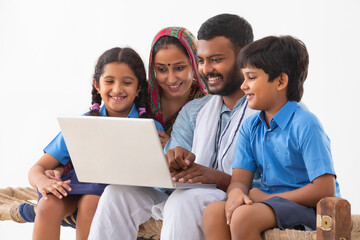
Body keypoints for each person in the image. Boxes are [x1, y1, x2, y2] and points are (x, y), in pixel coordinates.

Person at [88, 13, 257, 240]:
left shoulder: (265, 109)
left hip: (236, 196)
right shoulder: (194, 110)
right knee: (116, 194)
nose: (205, 69)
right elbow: (172, 175)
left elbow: (277, 180)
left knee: (183, 201)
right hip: (188, 193)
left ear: (245, 58)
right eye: (201, 60)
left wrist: (215, 177)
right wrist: (175, 159)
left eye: (216, 60)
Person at [202, 36, 340, 240]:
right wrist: (236, 194)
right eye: (244, 77)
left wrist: (268, 197)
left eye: (251, 77)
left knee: (243, 217)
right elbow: (239, 181)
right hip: (267, 204)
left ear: (281, 81)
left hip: (307, 208)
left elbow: (324, 189)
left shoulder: (306, 123)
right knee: (213, 212)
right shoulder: (250, 127)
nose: (243, 86)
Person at [28, 47, 164, 240]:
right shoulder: (81, 125)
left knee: (91, 203)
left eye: (127, 82)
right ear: (97, 85)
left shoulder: (150, 128)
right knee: (47, 204)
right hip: (78, 185)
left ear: (139, 87)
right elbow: (38, 168)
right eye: (109, 81)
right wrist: (44, 182)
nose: (117, 89)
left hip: (118, 194)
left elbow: (156, 179)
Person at [148, 26, 207, 147]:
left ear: (194, 64)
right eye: (162, 69)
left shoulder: (208, 103)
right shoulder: (140, 94)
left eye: (179, 68)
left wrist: (174, 146)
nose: (171, 79)